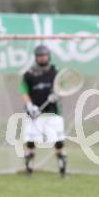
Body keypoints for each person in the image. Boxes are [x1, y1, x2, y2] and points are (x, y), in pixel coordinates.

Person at [19, 44, 67, 177]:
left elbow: (64, 88)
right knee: (31, 141)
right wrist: (30, 105)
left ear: (48, 56)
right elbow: (23, 91)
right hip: (34, 114)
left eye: (44, 55)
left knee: (58, 141)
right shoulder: (29, 74)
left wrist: (57, 95)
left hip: (53, 112)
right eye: (39, 56)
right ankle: (29, 170)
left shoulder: (56, 72)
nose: (42, 58)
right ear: (36, 57)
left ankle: (63, 170)